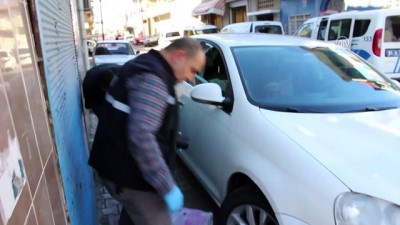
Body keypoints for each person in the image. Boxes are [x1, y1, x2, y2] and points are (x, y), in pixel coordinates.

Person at [88, 37, 206, 225]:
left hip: (118, 169)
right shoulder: (153, 80)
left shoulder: (145, 66)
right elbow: (141, 136)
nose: (191, 78)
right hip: (129, 176)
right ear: (179, 56)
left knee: (135, 215)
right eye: (193, 70)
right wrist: (167, 187)